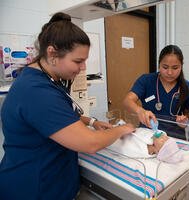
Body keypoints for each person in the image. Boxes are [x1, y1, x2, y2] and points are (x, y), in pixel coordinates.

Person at [0, 12, 135, 200]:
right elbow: (90, 143)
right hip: (33, 189)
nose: (83, 67)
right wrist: (122, 130)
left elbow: (56, 116)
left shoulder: (45, 79)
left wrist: (92, 121)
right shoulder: (36, 92)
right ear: (52, 53)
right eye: (78, 61)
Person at [123, 45, 189, 139]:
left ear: (181, 66)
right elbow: (127, 101)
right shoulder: (146, 80)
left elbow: (188, 112)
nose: (169, 72)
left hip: (174, 138)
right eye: (165, 67)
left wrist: (184, 122)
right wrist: (140, 111)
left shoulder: (186, 86)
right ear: (159, 65)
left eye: (175, 68)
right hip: (148, 135)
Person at [107, 127, 183, 163]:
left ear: (158, 151)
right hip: (125, 130)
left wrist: (119, 136)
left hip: (121, 139)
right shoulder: (154, 138)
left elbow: (126, 149)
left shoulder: (144, 151)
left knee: (113, 141)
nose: (163, 136)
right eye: (166, 137)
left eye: (163, 141)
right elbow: (152, 132)